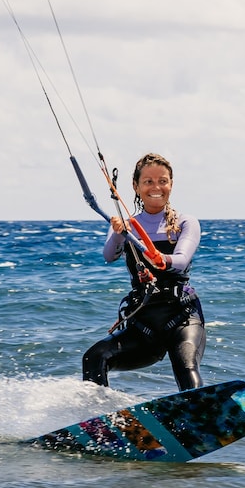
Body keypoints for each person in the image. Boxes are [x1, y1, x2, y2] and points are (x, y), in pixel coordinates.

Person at [82, 152, 205, 392]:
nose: (156, 187)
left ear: (171, 184)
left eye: (163, 180)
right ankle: (99, 423)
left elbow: (180, 261)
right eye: (148, 181)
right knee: (94, 357)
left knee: (186, 366)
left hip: (182, 317)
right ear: (136, 186)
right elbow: (109, 256)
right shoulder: (126, 225)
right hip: (144, 324)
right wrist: (119, 231)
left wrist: (161, 258)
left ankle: (199, 415)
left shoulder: (185, 222)